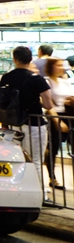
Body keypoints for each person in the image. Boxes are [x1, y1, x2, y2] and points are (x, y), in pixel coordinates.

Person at [0, 45, 54, 191]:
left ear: (15, 59)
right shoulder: (37, 79)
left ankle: (19, 191)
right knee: (35, 160)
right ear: (30, 59)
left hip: (13, 124)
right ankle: (38, 193)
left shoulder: (6, 77)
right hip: (34, 124)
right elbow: (48, 104)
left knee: (18, 159)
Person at [43, 58, 73, 190]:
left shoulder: (64, 82)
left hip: (69, 115)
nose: (61, 67)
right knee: (53, 148)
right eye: (58, 65)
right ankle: (52, 177)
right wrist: (57, 121)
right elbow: (47, 103)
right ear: (51, 67)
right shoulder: (47, 81)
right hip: (55, 116)